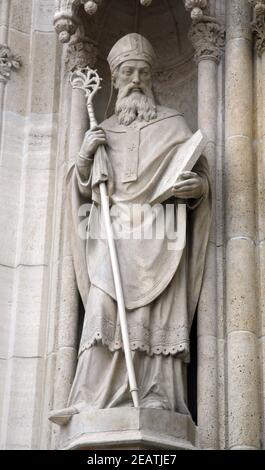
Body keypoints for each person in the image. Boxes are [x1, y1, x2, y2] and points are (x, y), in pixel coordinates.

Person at [49, 33, 211, 425]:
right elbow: (82, 187)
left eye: (142, 72)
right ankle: (92, 399)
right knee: (103, 307)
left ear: (152, 78)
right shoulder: (101, 130)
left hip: (161, 236)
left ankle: (157, 398)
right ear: (115, 79)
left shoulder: (174, 125)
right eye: (127, 72)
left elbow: (199, 173)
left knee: (155, 318)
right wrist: (86, 158)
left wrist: (198, 188)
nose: (135, 79)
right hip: (112, 234)